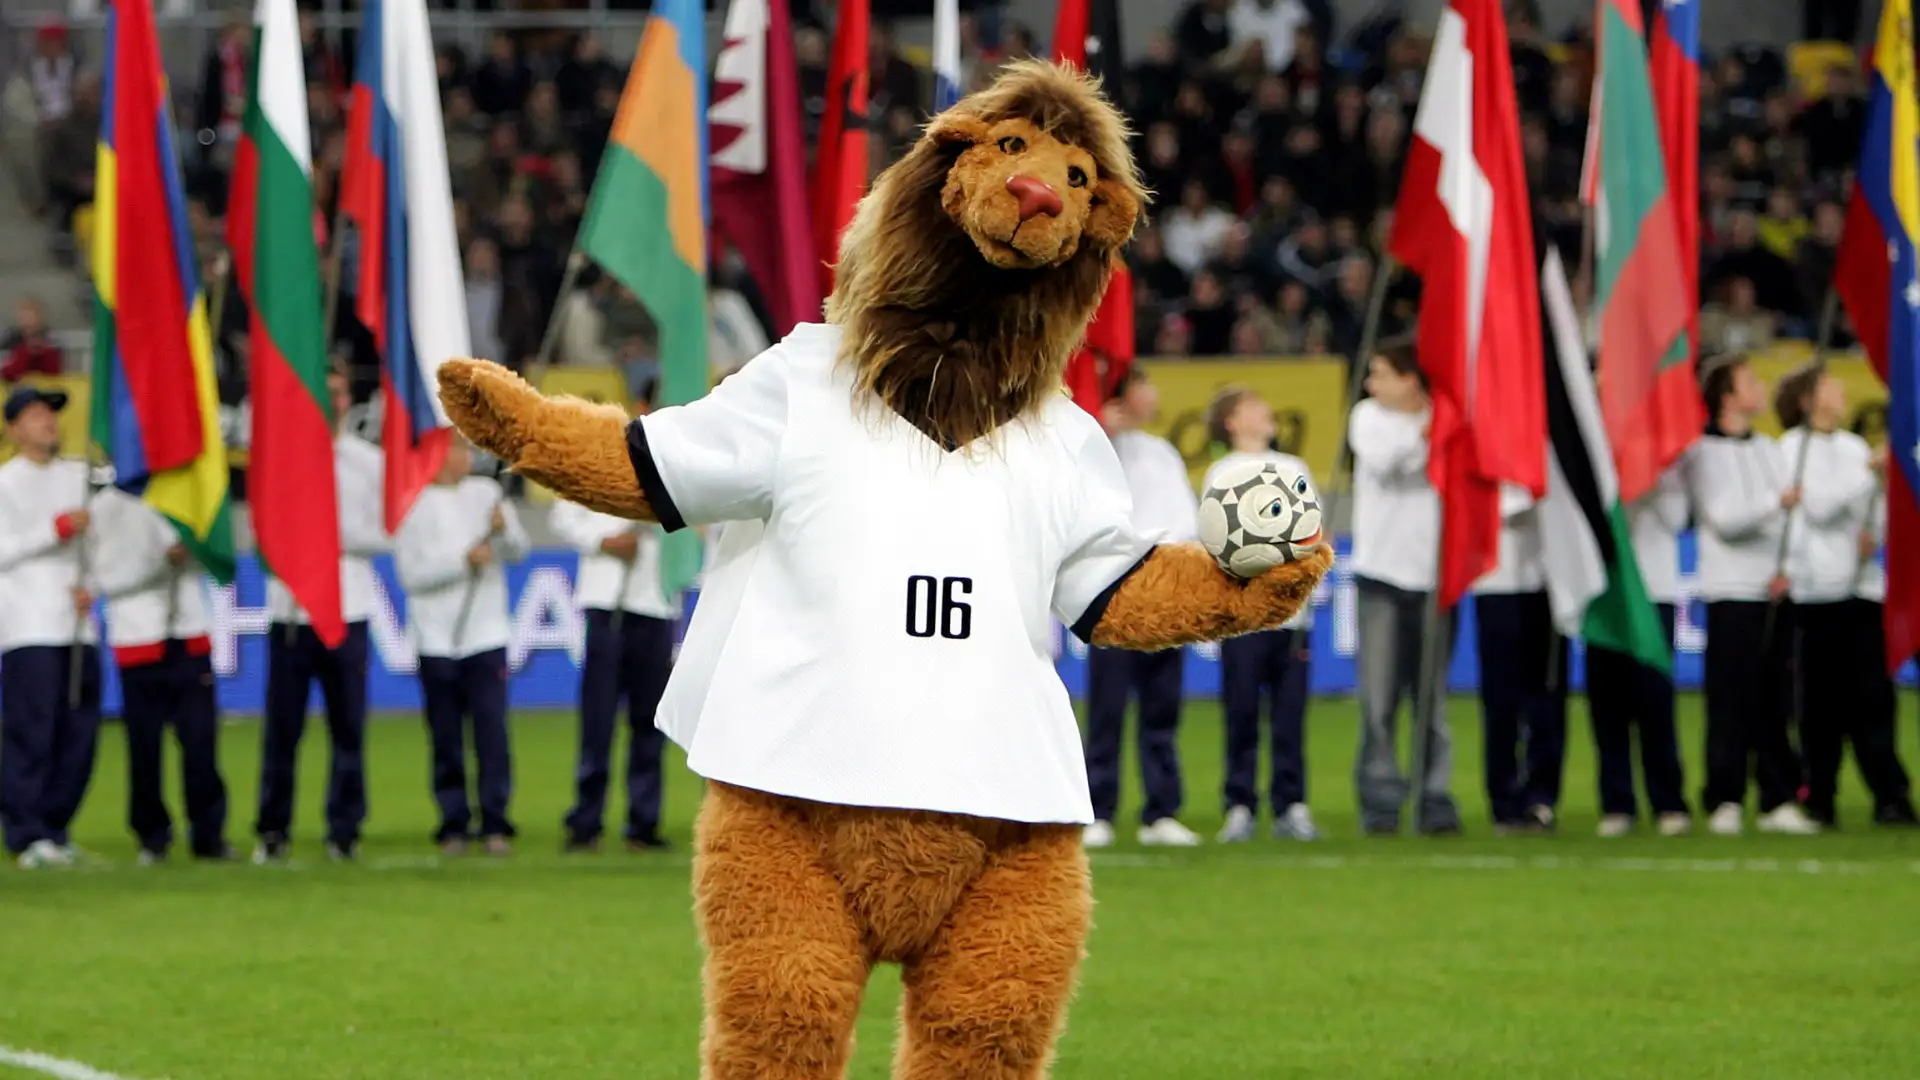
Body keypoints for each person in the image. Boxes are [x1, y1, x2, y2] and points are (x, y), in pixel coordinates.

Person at [254, 368, 388, 863]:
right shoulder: (279, 458)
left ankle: (344, 830)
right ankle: (273, 830)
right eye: (323, 391)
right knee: (282, 729)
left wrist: (328, 531)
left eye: (338, 392)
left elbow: (387, 532)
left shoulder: (369, 462)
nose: (331, 401)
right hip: (290, 610)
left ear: (349, 399)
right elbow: (264, 532)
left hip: (347, 608)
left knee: (348, 728)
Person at [1776, 365, 1917, 828]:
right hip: (1819, 593)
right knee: (1820, 706)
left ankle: (1890, 796)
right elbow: (1818, 507)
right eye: (1827, 385)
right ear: (1807, 400)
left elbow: (1875, 512)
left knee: (1875, 698)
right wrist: (1867, 475)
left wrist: (1874, 533)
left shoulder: (1853, 447)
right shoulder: (1791, 449)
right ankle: (1819, 796)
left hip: (1863, 588)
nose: (1839, 390)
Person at [1687, 354, 1818, 836]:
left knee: (1776, 698)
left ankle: (1777, 796)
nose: (1760, 387)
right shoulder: (1702, 452)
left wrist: (1787, 569)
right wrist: (1774, 503)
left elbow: (1791, 521)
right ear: (1727, 396)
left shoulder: (1769, 448)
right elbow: (1723, 518)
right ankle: (1725, 796)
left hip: (1773, 592)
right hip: (1731, 592)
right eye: (1749, 381)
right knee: (1730, 699)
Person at [549, 388, 679, 852]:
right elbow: (564, 512)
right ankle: (586, 821)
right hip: (608, 605)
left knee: (649, 722)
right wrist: (605, 540)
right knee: (598, 720)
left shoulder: (685, 462)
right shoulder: (604, 455)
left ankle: (643, 822)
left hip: (654, 604)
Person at [1081, 367, 1203, 848]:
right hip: (1113, 588)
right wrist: (1099, 430)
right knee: (1108, 706)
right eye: (1144, 385)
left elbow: (1185, 518)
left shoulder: (1161, 451)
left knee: (1161, 704)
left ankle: (1161, 810)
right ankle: (1099, 809)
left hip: (1163, 584)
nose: (1153, 394)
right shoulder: (1091, 443)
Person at [1347, 341, 1461, 836]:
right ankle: (1380, 801)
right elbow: (1390, 463)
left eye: (1380, 374)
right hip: (1382, 575)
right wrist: (1428, 433)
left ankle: (1435, 797)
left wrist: (1439, 426)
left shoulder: (1445, 417)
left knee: (1431, 701)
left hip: (1435, 575)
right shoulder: (1368, 418)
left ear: (1410, 378)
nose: (1370, 384)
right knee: (1379, 701)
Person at [395, 438, 528, 856]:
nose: (464, 456)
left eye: (464, 448)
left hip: (486, 635)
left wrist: (504, 532)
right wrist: (461, 562)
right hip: (435, 638)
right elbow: (411, 575)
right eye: (455, 448)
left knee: (492, 734)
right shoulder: (411, 504)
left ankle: (495, 821)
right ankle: (453, 822)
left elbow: (518, 551)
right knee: (446, 737)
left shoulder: (487, 493)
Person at [1204, 384, 1319, 842]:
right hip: (1242, 615)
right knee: (1242, 713)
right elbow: (1215, 541)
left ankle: (1292, 804)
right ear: (1232, 422)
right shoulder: (1222, 472)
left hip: (1293, 617)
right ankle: (1240, 804)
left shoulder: (1294, 468)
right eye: (1252, 407)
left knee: (1290, 716)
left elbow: (1314, 533)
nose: (1265, 411)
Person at [92, 483, 232, 863]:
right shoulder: (107, 506)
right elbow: (103, 578)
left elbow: (216, 558)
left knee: (201, 743)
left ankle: (209, 835)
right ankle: (151, 837)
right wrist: (158, 564)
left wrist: (195, 553)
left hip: (188, 633)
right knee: (144, 748)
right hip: (138, 636)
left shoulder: (187, 490)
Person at [0, 386, 101, 869]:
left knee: (79, 731)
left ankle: (56, 827)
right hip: (28, 624)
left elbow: (97, 546)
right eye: (37, 414)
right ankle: (25, 832)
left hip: (77, 624)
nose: (48, 422)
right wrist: (52, 531)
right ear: (13, 428)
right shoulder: (6, 483)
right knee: (31, 730)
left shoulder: (78, 478)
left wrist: (92, 586)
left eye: (51, 414)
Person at [1586, 462, 1693, 838]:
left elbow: (1678, 519)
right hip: (1606, 593)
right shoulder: (1594, 459)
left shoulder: (1667, 464)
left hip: (1655, 591)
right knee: (1607, 705)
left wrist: (1646, 481)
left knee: (1655, 702)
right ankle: (1617, 804)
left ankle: (1668, 802)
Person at [1472, 485, 1567, 835]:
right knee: (1500, 701)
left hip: (1547, 577)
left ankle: (1541, 797)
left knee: (1547, 696)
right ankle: (1504, 800)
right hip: (1494, 578)